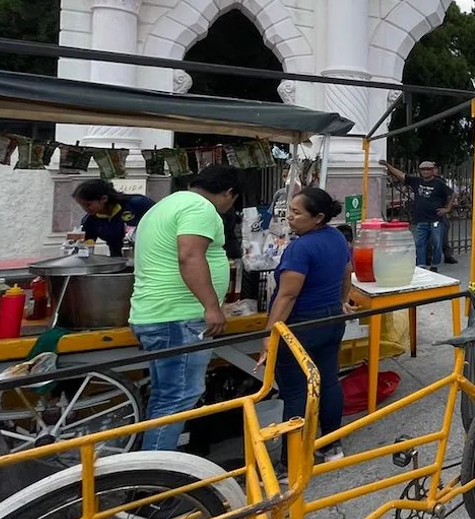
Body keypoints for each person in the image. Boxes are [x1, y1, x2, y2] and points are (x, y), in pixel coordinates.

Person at [129, 164, 241, 451]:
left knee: (166, 396)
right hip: (177, 318)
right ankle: (154, 477)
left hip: (159, 314)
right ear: (228, 193)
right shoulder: (200, 208)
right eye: (233, 200)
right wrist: (212, 307)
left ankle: (151, 468)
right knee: (178, 397)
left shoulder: (165, 204)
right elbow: (189, 256)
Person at [258, 187, 352, 466]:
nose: (289, 217)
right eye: (289, 211)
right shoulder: (336, 237)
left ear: (318, 217)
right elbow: (347, 271)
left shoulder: (301, 247)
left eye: (297, 213)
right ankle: (332, 446)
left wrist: (270, 334)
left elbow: (288, 294)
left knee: (296, 391)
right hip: (331, 320)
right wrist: (341, 300)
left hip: (301, 326)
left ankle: (292, 462)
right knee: (328, 381)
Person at [379, 160, 455, 270]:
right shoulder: (416, 181)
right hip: (421, 219)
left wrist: (447, 209)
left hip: (435, 220)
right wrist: (388, 166)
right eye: (423, 169)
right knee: (420, 244)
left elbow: (453, 194)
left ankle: (435, 265)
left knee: (437, 244)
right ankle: (421, 265)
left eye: (428, 169)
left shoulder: (439, 183)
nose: (425, 171)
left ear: (433, 171)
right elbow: (401, 175)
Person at [72, 179, 155, 256]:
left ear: (104, 199)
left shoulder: (138, 204)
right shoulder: (90, 221)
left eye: (88, 205)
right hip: (118, 261)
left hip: (151, 256)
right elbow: (86, 246)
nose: (85, 209)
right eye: (82, 205)